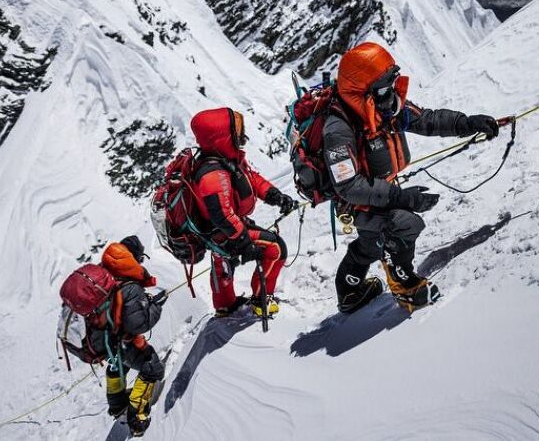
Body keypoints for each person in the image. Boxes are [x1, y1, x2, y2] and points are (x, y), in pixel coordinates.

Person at [323, 42, 499, 314]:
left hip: (378, 189)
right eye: (383, 89)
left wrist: (466, 123)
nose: (391, 94)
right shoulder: (338, 130)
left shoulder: (382, 107)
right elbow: (348, 185)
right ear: (360, 92)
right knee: (404, 224)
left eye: (391, 84)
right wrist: (401, 197)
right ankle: (407, 290)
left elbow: (426, 120)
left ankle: (349, 294)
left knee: (371, 243)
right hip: (355, 200)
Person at [190, 107, 299, 318]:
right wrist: (244, 243)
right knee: (276, 249)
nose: (242, 136)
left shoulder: (225, 160)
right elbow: (222, 215)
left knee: (222, 263)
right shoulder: (213, 174)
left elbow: (250, 179)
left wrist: (275, 196)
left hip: (219, 233)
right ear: (223, 136)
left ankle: (225, 306)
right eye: (237, 131)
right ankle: (261, 299)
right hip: (225, 232)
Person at [91, 236, 168, 437]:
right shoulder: (129, 285)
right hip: (119, 340)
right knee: (152, 367)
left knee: (118, 363)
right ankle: (137, 417)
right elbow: (140, 323)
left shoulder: (103, 274)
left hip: (102, 340)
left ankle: (117, 405)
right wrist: (155, 306)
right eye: (139, 259)